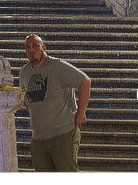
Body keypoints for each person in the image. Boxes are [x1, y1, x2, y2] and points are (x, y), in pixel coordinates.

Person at [17, 33, 90, 171]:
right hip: (39, 135)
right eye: (27, 48)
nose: (31, 50)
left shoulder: (58, 66)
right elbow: (24, 97)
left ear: (43, 47)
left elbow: (85, 82)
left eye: (35, 46)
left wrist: (81, 113)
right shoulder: (24, 72)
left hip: (63, 132)